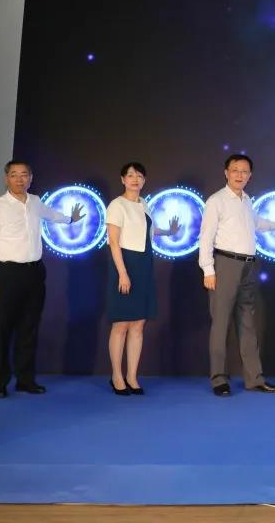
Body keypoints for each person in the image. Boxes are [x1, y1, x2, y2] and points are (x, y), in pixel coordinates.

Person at [0, 160, 85, 398]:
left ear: (31, 178)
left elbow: (52, 215)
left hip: (34, 273)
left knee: (29, 328)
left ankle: (25, 380)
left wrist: (70, 219)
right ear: (6, 178)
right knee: (2, 329)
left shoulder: (35, 202)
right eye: (14, 175)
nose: (19, 179)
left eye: (24, 175)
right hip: (6, 274)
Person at [198, 154, 275, 397]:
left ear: (250, 176)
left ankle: (254, 379)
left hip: (248, 267)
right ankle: (219, 379)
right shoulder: (216, 201)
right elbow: (206, 237)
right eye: (235, 170)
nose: (240, 175)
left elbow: (255, 223)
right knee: (221, 324)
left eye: (245, 171)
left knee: (247, 323)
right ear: (226, 172)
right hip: (225, 264)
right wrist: (208, 269)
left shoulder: (247, 200)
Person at [104, 161, 180, 396]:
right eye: (130, 175)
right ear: (122, 179)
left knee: (138, 324)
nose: (135, 179)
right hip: (125, 264)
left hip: (144, 265)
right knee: (121, 324)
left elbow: (147, 231)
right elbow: (114, 241)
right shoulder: (117, 205)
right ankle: (116, 376)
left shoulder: (144, 204)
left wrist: (168, 232)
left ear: (144, 180)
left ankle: (132, 376)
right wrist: (123, 273)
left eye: (139, 176)